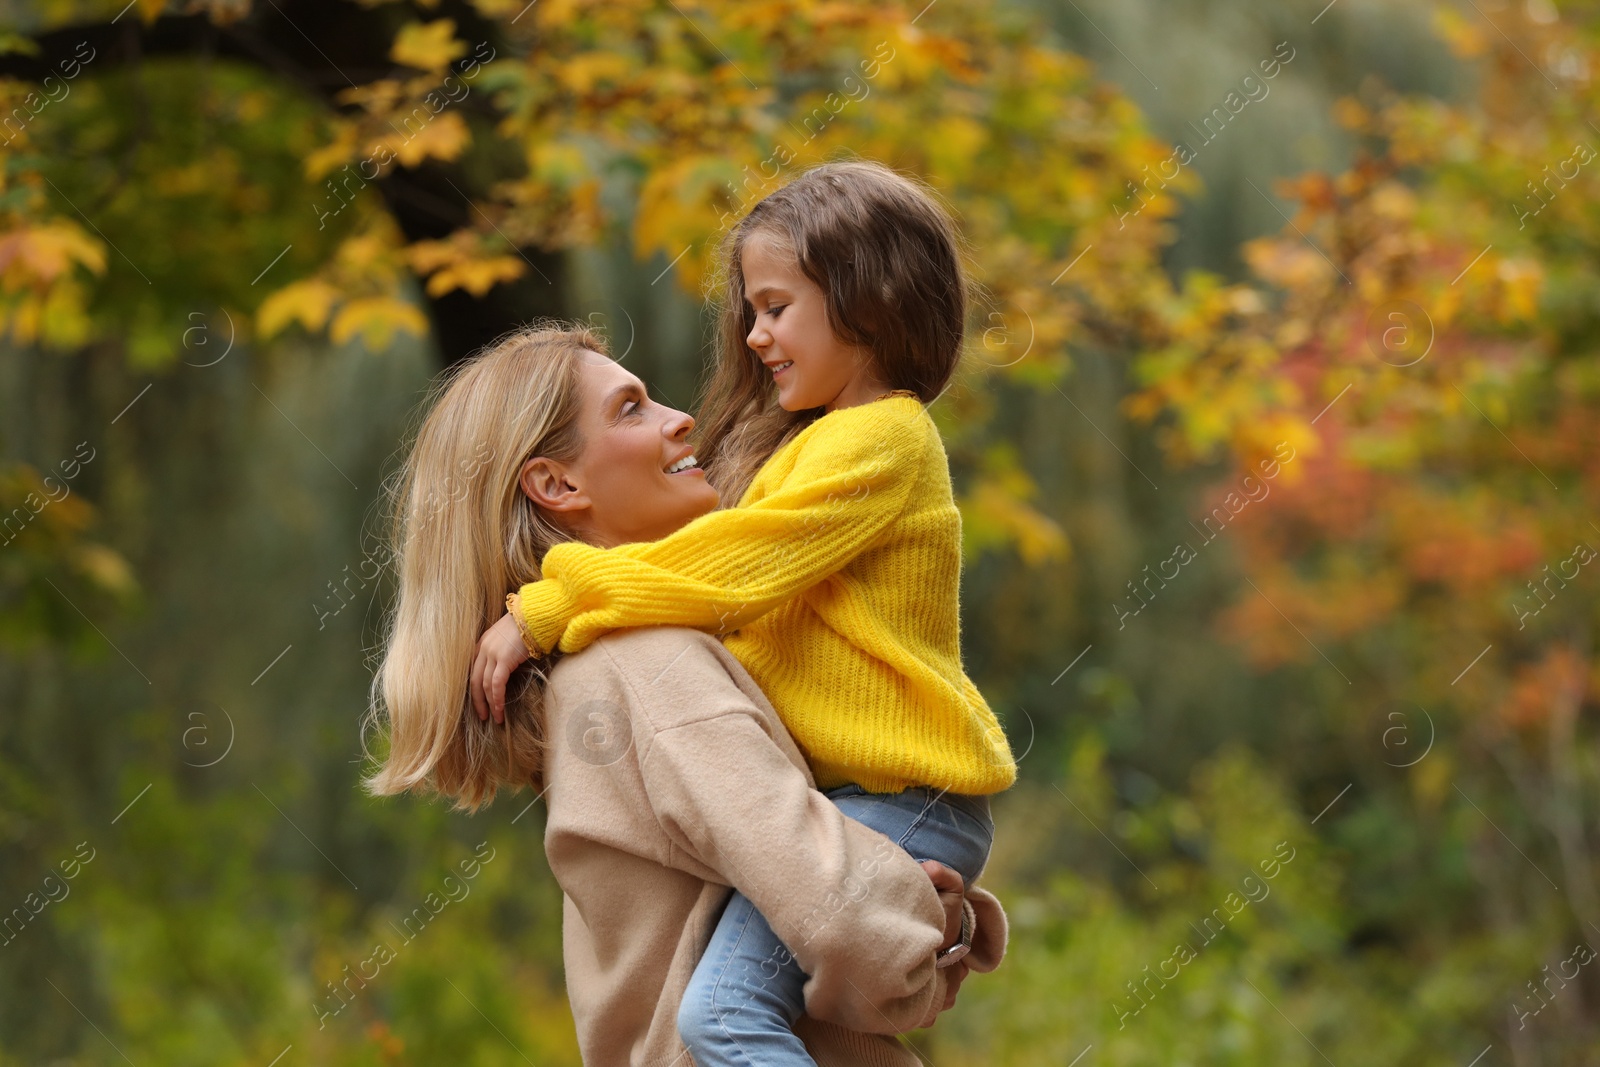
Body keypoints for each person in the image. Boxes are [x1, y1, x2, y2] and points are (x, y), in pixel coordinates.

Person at [471, 159, 1016, 1066]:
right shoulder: (641, 664)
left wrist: (553, 602)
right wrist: (914, 919)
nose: (755, 336)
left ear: (868, 300)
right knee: (722, 1017)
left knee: (725, 1016)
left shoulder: (881, 439)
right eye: (752, 311)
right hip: (878, 805)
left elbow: (733, 567)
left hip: (903, 796)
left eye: (776, 307)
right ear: (554, 483)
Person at [363, 324, 1006, 1065]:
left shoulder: (604, 662)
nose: (680, 417)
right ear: (557, 484)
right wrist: (938, 933)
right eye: (630, 409)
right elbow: (835, 909)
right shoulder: (646, 663)